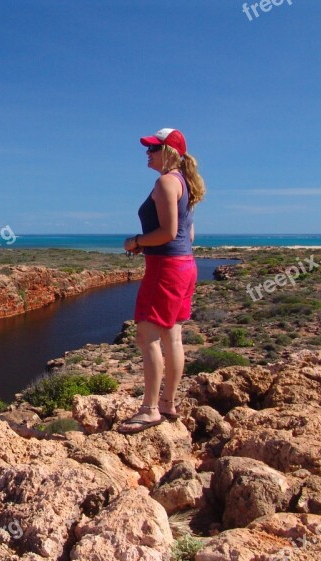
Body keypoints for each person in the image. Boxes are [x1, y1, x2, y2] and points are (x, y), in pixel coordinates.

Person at [117, 128, 206, 434]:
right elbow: (187, 234)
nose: (148, 153)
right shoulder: (184, 183)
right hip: (184, 266)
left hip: (165, 269)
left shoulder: (166, 182)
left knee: (147, 336)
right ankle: (167, 403)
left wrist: (136, 241)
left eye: (153, 148)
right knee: (173, 337)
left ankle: (150, 409)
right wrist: (148, 243)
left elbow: (167, 233)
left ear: (169, 152)